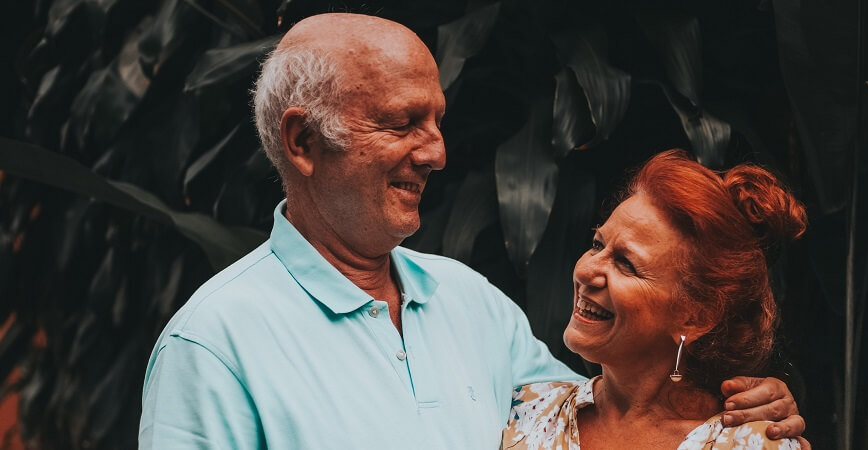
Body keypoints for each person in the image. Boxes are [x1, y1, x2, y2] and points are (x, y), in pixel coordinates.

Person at [139, 13, 808, 449]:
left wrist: (741, 408)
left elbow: (605, 412)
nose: (436, 153)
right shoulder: (215, 345)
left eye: (437, 121)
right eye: (403, 123)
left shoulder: (469, 302)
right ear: (304, 142)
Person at [501, 150, 808, 449]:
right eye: (597, 245)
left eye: (626, 264)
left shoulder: (747, 444)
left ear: (696, 317)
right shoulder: (526, 413)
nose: (585, 271)